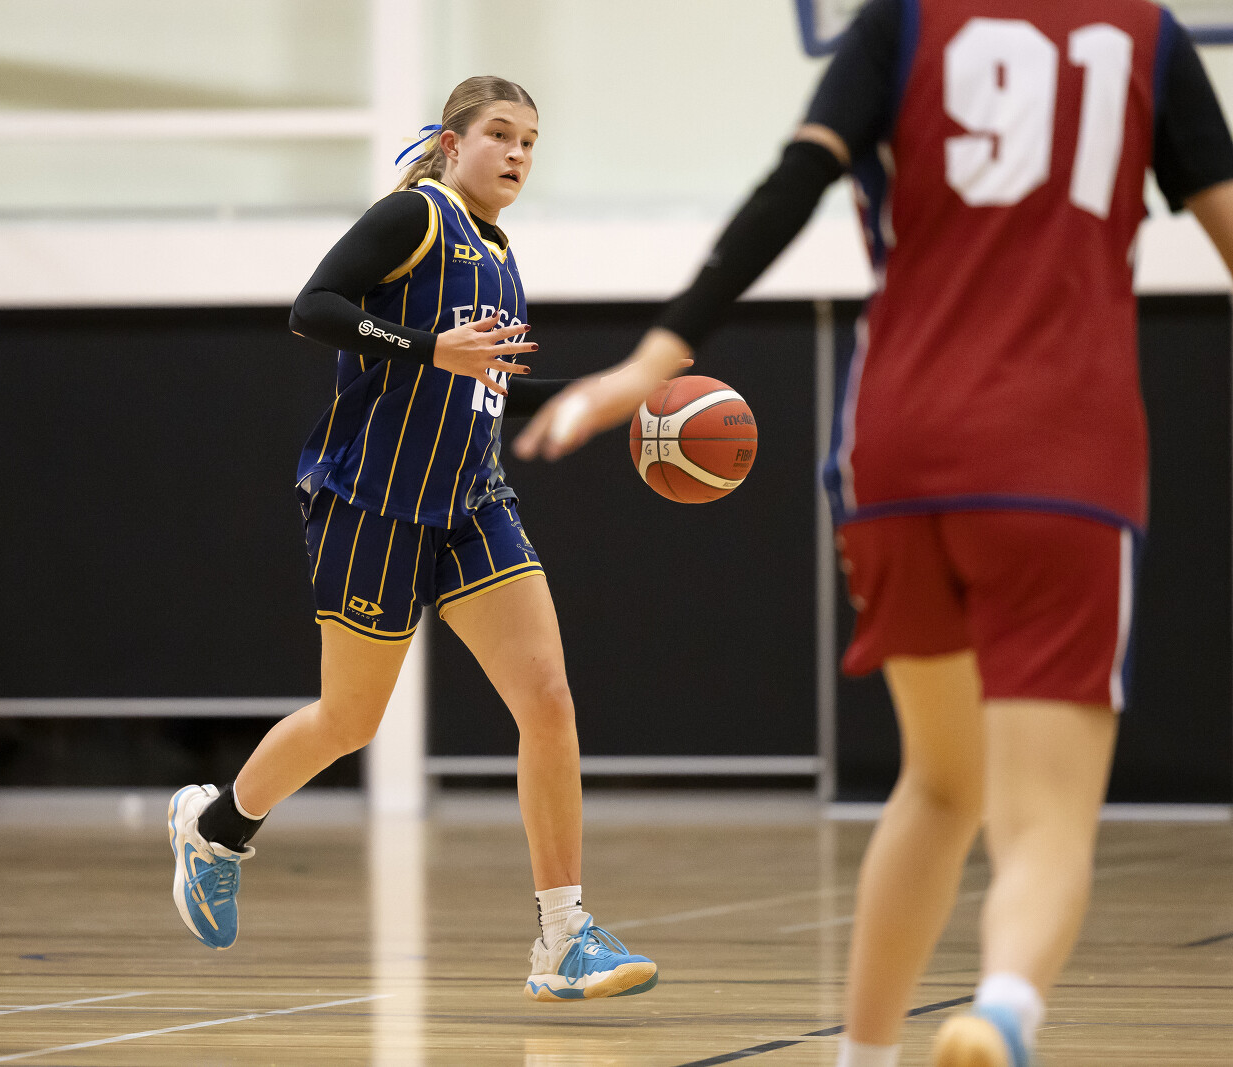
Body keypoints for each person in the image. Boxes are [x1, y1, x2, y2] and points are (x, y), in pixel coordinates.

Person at [514, 0, 1233, 1062]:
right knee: (1043, 816)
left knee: (939, 782)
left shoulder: (901, 21)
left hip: (898, 452)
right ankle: (1002, 1008)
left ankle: (864, 1053)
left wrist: (650, 360)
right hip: (1062, 461)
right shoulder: (1147, 36)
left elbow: (790, 186)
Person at [166, 75, 658, 1002]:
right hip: (375, 500)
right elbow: (313, 307)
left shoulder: (502, 253)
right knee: (349, 722)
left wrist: (605, 398)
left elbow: (486, 387)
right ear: (454, 141)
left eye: (530, 141)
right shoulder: (418, 217)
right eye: (501, 134)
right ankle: (217, 829)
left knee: (548, 701)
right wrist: (429, 347)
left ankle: (564, 934)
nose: (517, 153)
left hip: (472, 500)